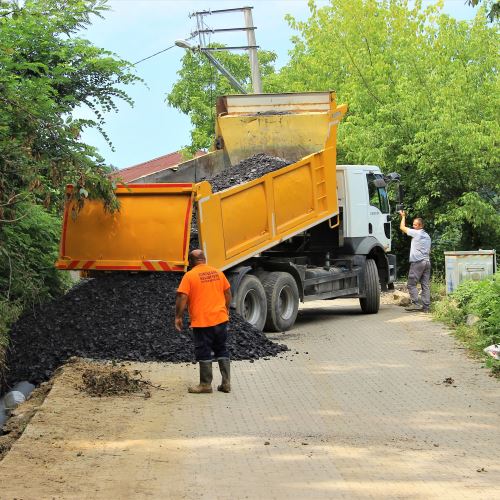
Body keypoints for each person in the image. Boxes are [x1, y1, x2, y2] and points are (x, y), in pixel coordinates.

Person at [175, 249, 232, 394]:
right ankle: (226, 383)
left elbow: (182, 297)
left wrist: (178, 317)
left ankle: (205, 384)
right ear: (204, 259)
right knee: (221, 348)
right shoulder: (218, 273)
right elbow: (227, 292)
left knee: (204, 350)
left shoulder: (189, 276)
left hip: (203, 321)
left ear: (191, 261)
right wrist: (226, 309)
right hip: (220, 318)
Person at [399, 211, 432, 312]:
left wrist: (403, 216)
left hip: (418, 262)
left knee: (411, 284)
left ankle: (416, 304)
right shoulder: (427, 236)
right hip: (427, 262)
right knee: (425, 285)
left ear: (420, 226)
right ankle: (426, 307)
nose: (413, 226)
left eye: (414, 224)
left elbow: (402, 227)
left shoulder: (416, 233)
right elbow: (429, 250)